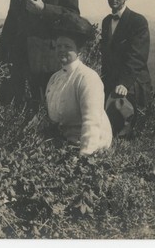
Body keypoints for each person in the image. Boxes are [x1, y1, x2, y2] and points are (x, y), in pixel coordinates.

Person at [45, 13, 112, 156]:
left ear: (79, 50)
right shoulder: (54, 79)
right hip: (66, 145)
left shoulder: (87, 78)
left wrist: (85, 157)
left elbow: (91, 122)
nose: (62, 49)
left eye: (67, 46)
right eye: (59, 46)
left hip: (91, 147)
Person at [100, 0, 151, 136]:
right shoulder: (106, 21)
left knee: (128, 131)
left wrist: (123, 83)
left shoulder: (138, 21)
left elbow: (137, 57)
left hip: (132, 82)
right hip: (112, 81)